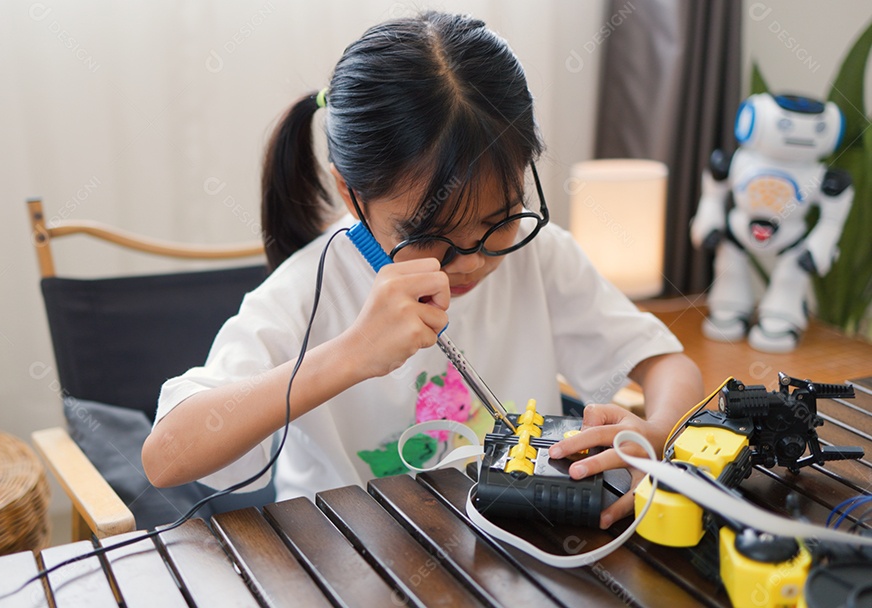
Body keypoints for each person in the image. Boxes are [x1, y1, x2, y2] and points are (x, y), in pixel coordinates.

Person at [142, 11, 703, 529]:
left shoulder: (539, 257)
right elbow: (166, 456)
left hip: (509, 546)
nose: (475, 262)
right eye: (430, 238)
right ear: (350, 193)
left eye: (500, 220)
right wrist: (349, 355)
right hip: (348, 564)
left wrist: (656, 434)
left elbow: (668, 366)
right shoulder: (303, 294)